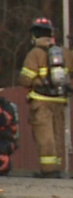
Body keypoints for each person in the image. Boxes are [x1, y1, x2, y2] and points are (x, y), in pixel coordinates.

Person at [17, 17, 67, 178]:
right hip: (59, 101)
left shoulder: (35, 54)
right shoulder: (63, 52)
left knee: (45, 136)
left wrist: (36, 81)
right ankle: (57, 168)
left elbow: (25, 79)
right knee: (58, 135)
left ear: (35, 35)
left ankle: (48, 170)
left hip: (41, 102)